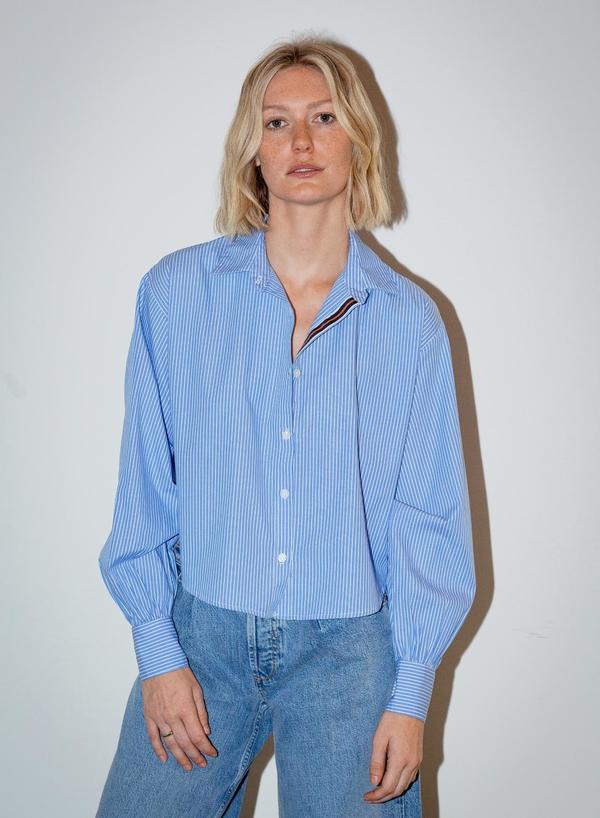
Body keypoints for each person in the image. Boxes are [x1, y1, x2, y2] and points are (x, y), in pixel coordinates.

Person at [95, 35, 476, 818]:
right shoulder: (176, 295)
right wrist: (158, 651)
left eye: (324, 117)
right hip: (201, 650)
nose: (300, 141)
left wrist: (410, 695)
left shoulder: (410, 322)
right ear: (253, 153)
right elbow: (145, 486)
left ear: (358, 141)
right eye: (276, 123)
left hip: (351, 662)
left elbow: (428, 521)